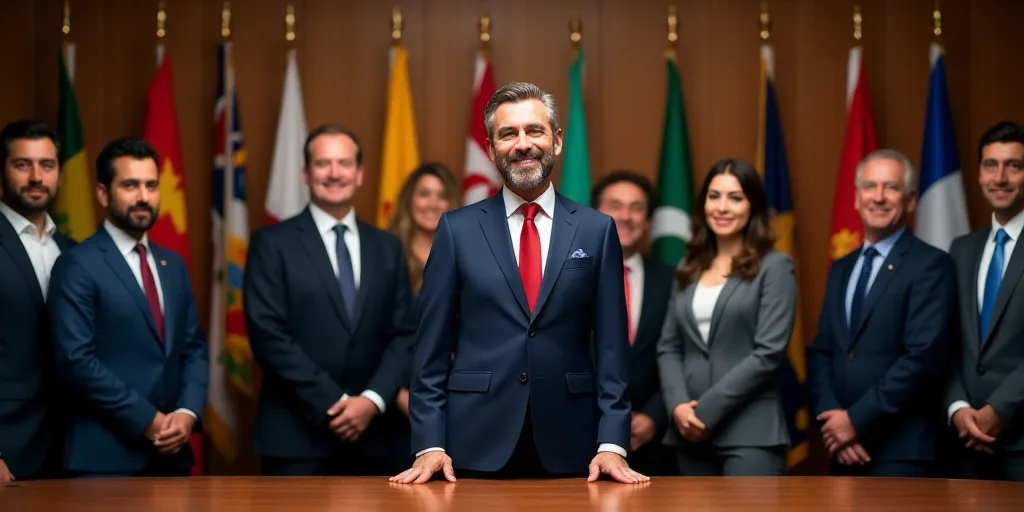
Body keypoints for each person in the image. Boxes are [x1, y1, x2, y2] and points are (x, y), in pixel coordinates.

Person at [392, 81, 647, 484]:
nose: (522, 144)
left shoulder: (597, 231)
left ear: (557, 141)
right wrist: (429, 444)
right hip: (471, 444)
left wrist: (613, 444)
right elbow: (431, 352)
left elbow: (613, 351)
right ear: (491, 149)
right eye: (508, 134)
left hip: (573, 445)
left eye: (535, 131)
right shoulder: (456, 230)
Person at [244, 123, 417, 476]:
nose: (334, 173)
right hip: (295, 438)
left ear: (360, 174)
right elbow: (268, 335)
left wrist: (371, 401)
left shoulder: (387, 248)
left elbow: (404, 334)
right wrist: (336, 404)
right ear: (306, 174)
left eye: (345, 163)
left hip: (376, 438)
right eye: (323, 164)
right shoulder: (272, 244)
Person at [48, 137, 208, 477]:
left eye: (151, 185)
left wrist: (187, 412)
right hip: (104, 459)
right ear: (103, 193)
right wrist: (147, 419)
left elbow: (193, 348)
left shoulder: (173, 265)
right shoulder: (77, 264)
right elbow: (76, 360)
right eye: (130, 185)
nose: (143, 197)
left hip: (172, 456)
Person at [807, 149, 955, 477]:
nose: (878, 197)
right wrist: (833, 418)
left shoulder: (931, 265)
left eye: (890, 187)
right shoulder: (841, 269)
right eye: (870, 187)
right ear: (857, 198)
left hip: (901, 450)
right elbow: (823, 351)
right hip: (840, 447)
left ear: (911, 199)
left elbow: (922, 358)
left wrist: (855, 420)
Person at [656, 159, 796, 476]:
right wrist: (678, 406)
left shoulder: (775, 267)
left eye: (735, 197)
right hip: (688, 432)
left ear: (753, 206)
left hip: (751, 433)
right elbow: (669, 346)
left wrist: (706, 411)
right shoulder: (686, 266)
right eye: (714, 196)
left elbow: (768, 353)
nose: (722, 207)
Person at [945, 121, 1024, 480]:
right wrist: (959, 407)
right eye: (991, 165)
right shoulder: (962, 250)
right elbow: (947, 344)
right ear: (978, 174)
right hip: (963, 442)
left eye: (1014, 166)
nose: (1001, 177)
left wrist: (1000, 409)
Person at [0, 120, 76, 482]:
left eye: (46, 165)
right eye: (22, 164)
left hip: (70, 451)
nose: (36, 176)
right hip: (8, 447)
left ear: (59, 173)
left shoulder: (74, 250)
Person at [591, 170, 677, 476]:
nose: (626, 216)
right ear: (595, 213)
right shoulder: (568, 278)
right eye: (615, 205)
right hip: (584, 439)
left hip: (655, 444)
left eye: (637, 207)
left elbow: (680, 355)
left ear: (648, 219)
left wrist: (655, 415)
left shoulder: (671, 281)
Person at [386, 162, 459, 471]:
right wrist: (398, 393)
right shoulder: (386, 255)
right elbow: (375, 334)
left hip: (457, 404)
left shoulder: (467, 254)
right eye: (424, 194)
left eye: (441, 196)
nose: (432, 203)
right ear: (409, 201)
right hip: (393, 405)